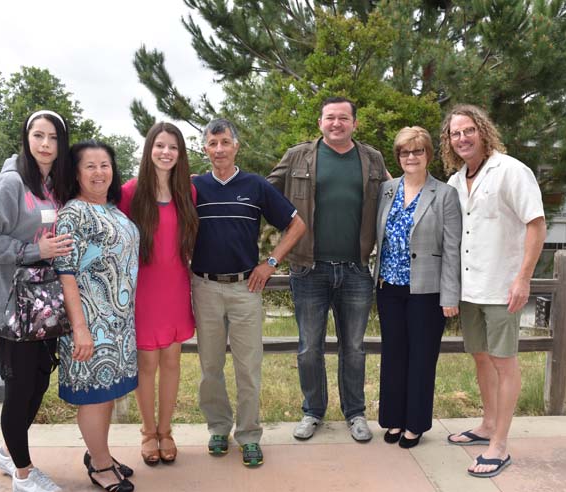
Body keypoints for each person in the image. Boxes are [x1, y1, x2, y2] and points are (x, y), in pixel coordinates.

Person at [267, 96, 388, 442]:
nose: (337, 123)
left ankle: (355, 413)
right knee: (309, 348)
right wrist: (286, 232)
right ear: (320, 122)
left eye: (343, 118)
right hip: (308, 269)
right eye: (330, 118)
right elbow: (265, 193)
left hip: (356, 269)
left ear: (355, 124)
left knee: (354, 347)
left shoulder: (372, 159)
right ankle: (312, 411)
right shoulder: (297, 156)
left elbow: (396, 196)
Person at [0, 109, 72, 492]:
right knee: (20, 386)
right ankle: (24, 474)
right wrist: (31, 249)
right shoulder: (9, 184)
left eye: (53, 138)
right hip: (13, 310)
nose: (45, 144)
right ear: (26, 139)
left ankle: (8, 452)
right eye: (38, 136)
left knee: (38, 382)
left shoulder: (52, 185)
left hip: (44, 308)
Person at [192, 118, 306, 467]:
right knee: (210, 367)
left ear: (236, 145)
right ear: (205, 148)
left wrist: (270, 262)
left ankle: (249, 435)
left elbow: (297, 224)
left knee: (248, 368)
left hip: (245, 287)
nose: (219, 149)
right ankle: (218, 428)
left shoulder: (255, 185)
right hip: (204, 286)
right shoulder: (193, 187)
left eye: (225, 142)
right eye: (213, 143)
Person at [442, 104, 546, 478]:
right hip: (470, 289)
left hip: (503, 288)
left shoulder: (513, 171)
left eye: (468, 130)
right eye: (455, 133)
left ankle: (499, 445)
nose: (462, 138)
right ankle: (486, 424)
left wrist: (523, 278)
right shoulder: (456, 181)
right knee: (481, 358)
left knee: (504, 363)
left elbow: (536, 225)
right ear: (449, 141)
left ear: (483, 131)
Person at [54, 140, 139, 492]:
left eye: (104, 164)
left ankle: (99, 453)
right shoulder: (73, 213)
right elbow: (66, 272)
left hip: (119, 325)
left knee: (106, 395)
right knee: (93, 395)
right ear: (76, 172)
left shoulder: (115, 211)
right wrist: (80, 329)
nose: (99, 172)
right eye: (90, 165)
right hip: (90, 324)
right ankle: (100, 466)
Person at [373, 126, 461, 449]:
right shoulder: (387, 189)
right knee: (393, 356)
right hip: (389, 288)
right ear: (398, 156)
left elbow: (452, 247)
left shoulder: (444, 194)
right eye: (405, 152)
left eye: (418, 151)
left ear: (428, 155)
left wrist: (450, 295)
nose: (411, 157)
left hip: (427, 291)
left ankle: (415, 424)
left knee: (422, 359)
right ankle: (394, 419)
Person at [118, 122, 198, 466]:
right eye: (160, 146)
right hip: (143, 291)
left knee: (172, 361)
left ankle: (167, 431)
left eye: (173, 148)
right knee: (147, 363)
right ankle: (148, 432)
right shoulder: (130, 192)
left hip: (176, 287)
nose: (166, 152)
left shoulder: (188, 192)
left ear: (180, 155)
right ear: (149, 149)